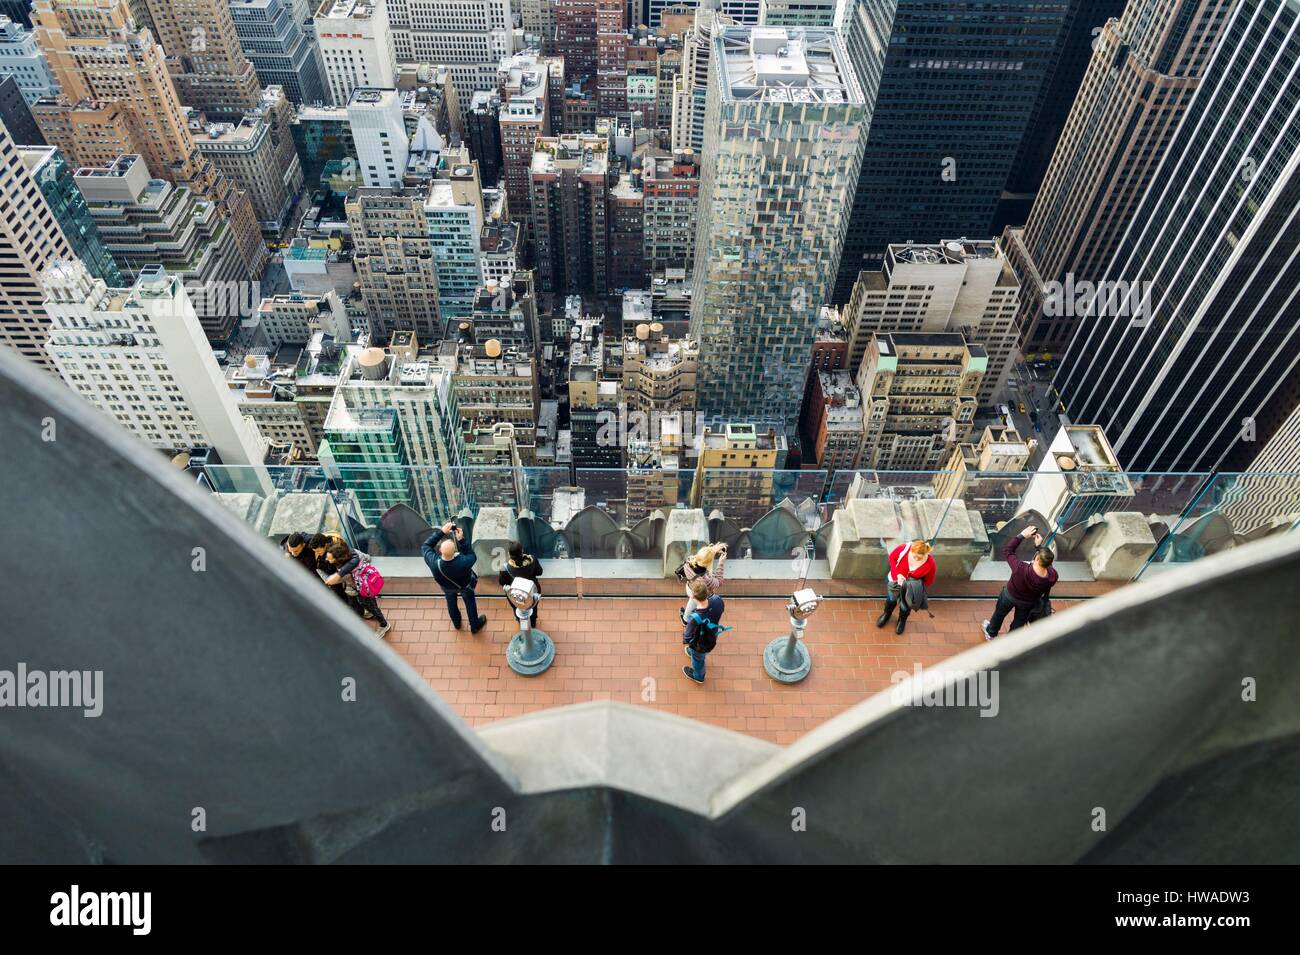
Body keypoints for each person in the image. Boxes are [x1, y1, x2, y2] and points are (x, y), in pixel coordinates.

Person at [982, 525, 1057, 640]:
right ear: (1049, 563)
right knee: (1019, 622)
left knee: (999, 614)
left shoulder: (1020, 568)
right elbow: (1047, 563)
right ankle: (1011, 641)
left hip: (1009, 596)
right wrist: (1039, 547)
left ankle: (991, 633)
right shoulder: (1052, 576)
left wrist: (1022, 535)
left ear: (1037, 558)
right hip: (1028, 603)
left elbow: (1008, 550)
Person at [422, 521, 487, 633]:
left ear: (440, 550)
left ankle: (456, 623)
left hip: (447, 587)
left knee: (451, 603)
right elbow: (472, 555)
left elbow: (426, 546)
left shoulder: (434, 563)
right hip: (464, 586)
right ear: (455, 552)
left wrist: (441, 532)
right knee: (470, 603)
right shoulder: (463, 562)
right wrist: (461, 539)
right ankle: (474, 625)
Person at [321, 542, 391, 638]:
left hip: (362, 591)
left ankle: (384, 625)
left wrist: (330, 579)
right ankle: (372, 613)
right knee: (371, 604)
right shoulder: (354, 555)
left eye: (329, 558)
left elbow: (333, 581)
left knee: (372, 607)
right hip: (367, 586)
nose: (327, 559)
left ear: (338, 558)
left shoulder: (346, 571)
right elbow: (367, 558)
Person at [877, 539, 936, 635]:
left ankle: (902, 620)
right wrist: (898, 574)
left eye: (919, 557)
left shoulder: (930, 563)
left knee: (905, 606)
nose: (916, 559)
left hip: (909, 589)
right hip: (894, 582)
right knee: (891, 599)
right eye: (914, 556)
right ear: (911, 550)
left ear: (926, 553)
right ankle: (887, 614)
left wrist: (913, 584)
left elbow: (929, 581)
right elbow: (892, 557)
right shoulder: (905, 548)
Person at [682, 580, 728, 685]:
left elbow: (687, 637)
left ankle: (698, 676)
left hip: (699, 643)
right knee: (702, 652)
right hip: (712, 635)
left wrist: (686, 640)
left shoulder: (694, 618)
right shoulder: (717, 600)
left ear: (693, 597)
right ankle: (698, 654)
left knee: (698, 659)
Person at [498, 541, 543, 625]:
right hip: (532, 591)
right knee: (532, 606)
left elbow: (502, 582)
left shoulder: (504, 568)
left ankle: (522, 623)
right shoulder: (532, 560)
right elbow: (540, 572)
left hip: (516, 594)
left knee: (517, 608)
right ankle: (533, 622)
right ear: (522, 551)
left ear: (509, 554)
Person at [680, 542, 727, 623]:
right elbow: (719, 581)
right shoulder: (707, 580)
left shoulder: (688, 563)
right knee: (694, 605)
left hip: (690, 588)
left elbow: (701, 557)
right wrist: (721, 563)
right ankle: (686, 620)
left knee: (691, 603)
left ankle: (686, 618)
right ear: (708, 563)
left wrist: (713, 550)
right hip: (700, 595)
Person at [309, 532, 351, 607]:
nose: (317, 553)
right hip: (332, 578)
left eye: (318, 551)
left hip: (342, 577)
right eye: (315, 551)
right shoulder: (321, 553)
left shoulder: (336, 548)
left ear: (325, 545)